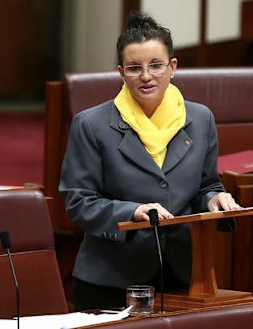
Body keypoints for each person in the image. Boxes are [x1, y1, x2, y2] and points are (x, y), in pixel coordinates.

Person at [59, 13, 242, 311]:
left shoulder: (200, 118)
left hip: (183, 275)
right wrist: (133, 211)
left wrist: (214, 198)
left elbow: (207, 185)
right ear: (121, 73)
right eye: (134, 68)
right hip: (112, 279)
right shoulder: (91, 125)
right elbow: (78, 202)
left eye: (156, 65)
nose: (146, 76)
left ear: (173, 67)